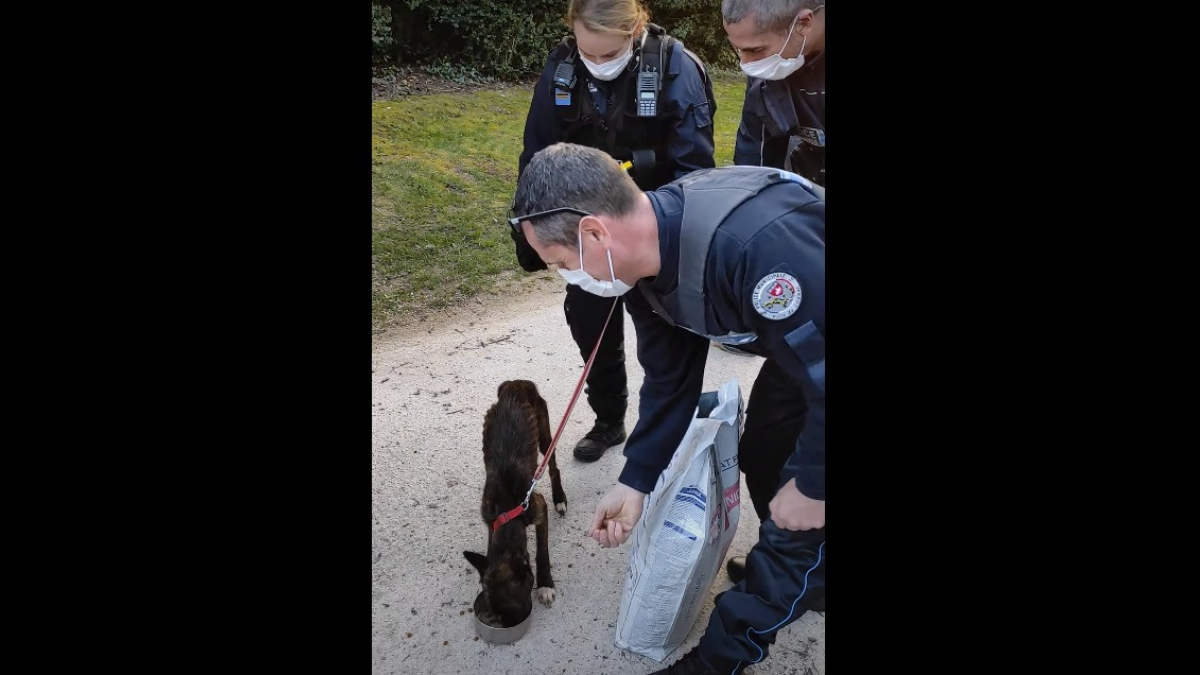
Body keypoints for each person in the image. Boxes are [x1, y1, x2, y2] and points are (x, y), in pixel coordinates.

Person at [508, 142, 825, 675]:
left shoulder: (756, 251)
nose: (568, 277)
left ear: (594, 233)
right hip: (804, 345)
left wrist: (816, 485)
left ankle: (719, 659)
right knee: (766, 451)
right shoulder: (645, 262)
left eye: (561, 264)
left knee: (798, 516)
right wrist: (635, 481)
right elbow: (670, 380)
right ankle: (811, 575)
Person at [510, 0, 718, 463]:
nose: (599, 66)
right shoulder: (563, 67)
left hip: (651, 227)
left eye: (610, 55)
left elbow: (695, 169)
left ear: (634, 31)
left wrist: (675, 242)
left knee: (664, 330)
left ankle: (667, 425)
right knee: (588, 322)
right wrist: (527, 228)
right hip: (582, 231)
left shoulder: (676, 68)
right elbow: (536, 154)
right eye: (590, 54)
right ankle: (609, 418)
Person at [719, 0, 826, 589]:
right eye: (738, 50)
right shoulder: (774, 76)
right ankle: (800, 563)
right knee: (763, 444)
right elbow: (748, 176)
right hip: (808, 286)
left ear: (803, 21)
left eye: (754, 50)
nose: (746, 65)